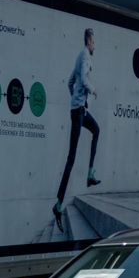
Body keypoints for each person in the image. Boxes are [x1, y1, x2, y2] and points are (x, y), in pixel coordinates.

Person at [52, 28, 102, 233]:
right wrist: (92, 90)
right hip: (78, 112)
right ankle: (57, 205)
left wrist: (76, 100)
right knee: (71, 159)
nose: (94, 45)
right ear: (89, 41)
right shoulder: (85, 56)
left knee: (96, 130)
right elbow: (81, 79)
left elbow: (70, 82)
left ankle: (90, 174)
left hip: (80, 110)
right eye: (94, 42)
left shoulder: (80, 56)